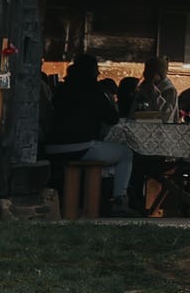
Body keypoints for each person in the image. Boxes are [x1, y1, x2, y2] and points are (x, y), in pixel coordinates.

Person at [41, 52, 135, 214]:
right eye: (96, 69)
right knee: (125, 153)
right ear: (91, 71)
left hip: (52, 147)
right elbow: (112, 118)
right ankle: (119, 198)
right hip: (81, 146)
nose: (99, 73)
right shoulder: (94, 91)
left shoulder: (62, 89)